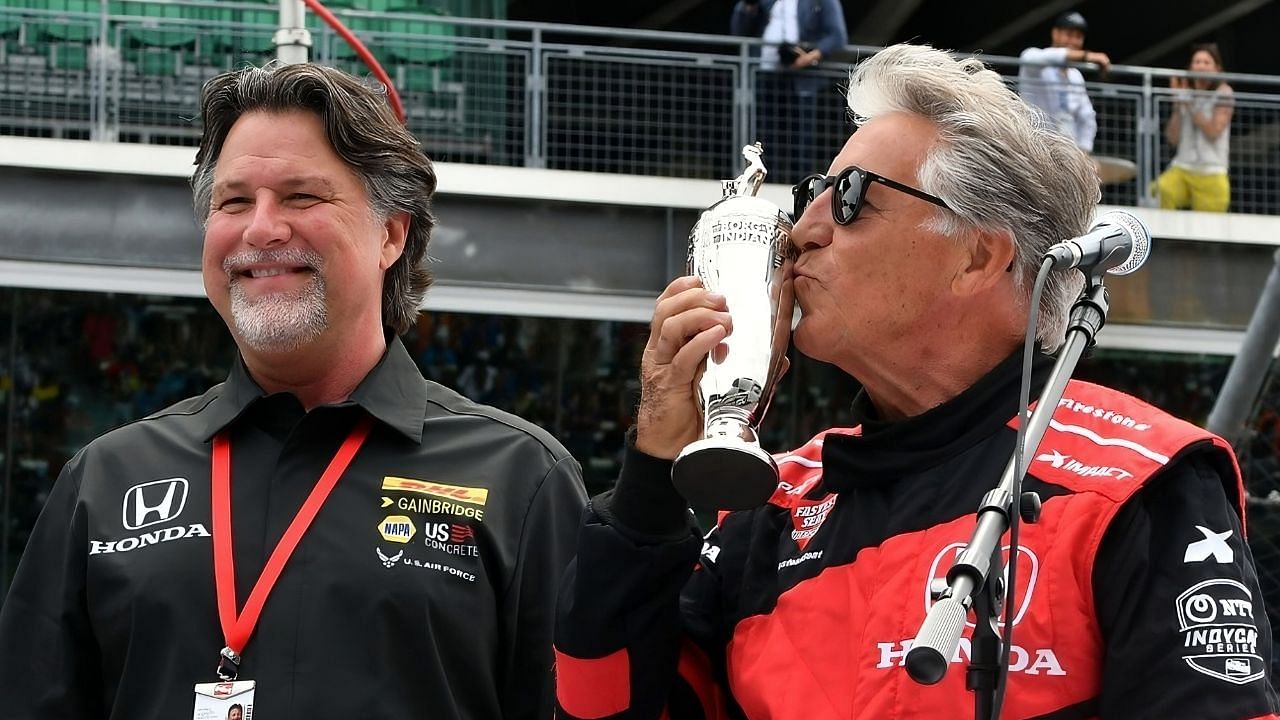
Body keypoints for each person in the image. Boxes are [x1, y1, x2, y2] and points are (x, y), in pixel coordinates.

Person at [553, 43, 1280, 719]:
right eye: (812, 192)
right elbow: (601, 708)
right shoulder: (768, 507)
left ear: (977, 258)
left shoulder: (1135, 481)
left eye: (849, 199)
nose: (800, 229)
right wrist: (654, 470)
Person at [0, 62, 587, 719]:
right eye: (234, 201)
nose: (261, 229)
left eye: (302, 197)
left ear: (391, 234)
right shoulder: (105, 479)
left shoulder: (521, 480)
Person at [730, 0, 848, 184]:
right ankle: (765, 183)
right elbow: (739, 31)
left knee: (801, 141)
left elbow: (837, 36)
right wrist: (748, 7)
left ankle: (802, 188)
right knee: (765, 138)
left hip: (803, 80)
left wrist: (809, 57)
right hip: (765, 75)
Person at [1155, 43, 1234, 212]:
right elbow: (1172, 138)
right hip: (1183, 166)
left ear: (1217, 68)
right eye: (1197, 62)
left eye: (1206, 62)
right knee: (1162, 189)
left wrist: (1189, 104)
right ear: (1191, 66)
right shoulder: (1185, 94)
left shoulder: (1224, 93)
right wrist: (1177, 104)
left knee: (1209, 231)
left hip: (1212, 170)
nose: (1201, 66)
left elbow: (1213, 131)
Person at [1019, 11, 1110, 153]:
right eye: (1069, 34)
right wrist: (1087, 56)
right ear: (1055, 34)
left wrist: (1084, 151)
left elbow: (1086, 117)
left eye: (1078, 37)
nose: (1073, 41)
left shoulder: (1076, 75)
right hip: (1034, 147)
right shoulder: (1034, 56)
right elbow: (1032, 59)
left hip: (1068, 153)